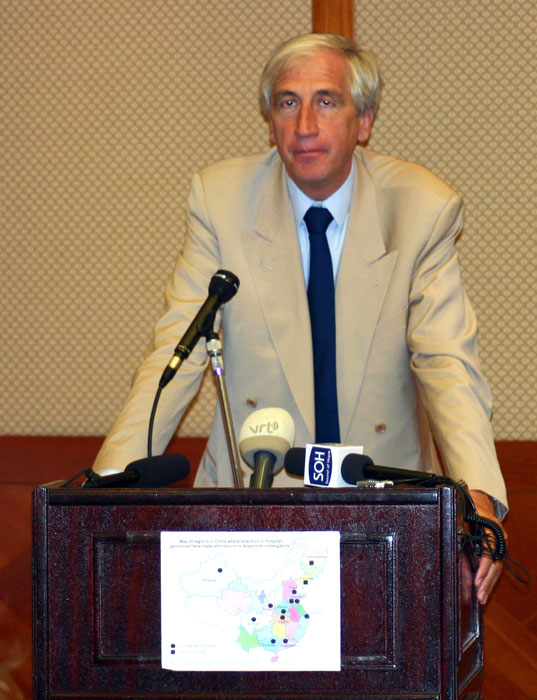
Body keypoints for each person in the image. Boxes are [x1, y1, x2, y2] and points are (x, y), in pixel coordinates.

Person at [93, 33, 507, 604]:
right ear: (270, 122)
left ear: (364, 121)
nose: (305, 125)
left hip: (387, 509)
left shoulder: (421, 207)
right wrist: (102, 491)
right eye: (288, 103)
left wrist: (478, 499)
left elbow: (447, 364)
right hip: (248, 507)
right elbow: (175, 354)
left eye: (326, 102)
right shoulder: (221, 200)